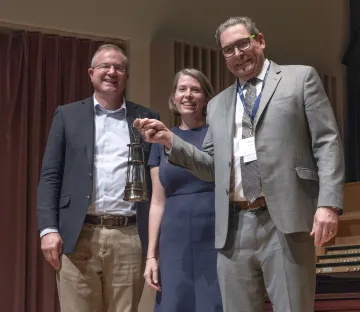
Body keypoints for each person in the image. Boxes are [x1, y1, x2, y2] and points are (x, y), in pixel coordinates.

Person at [135, 16, 345, 312]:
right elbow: (210, 166)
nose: (237, 54)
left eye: (242, 44)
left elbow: (327, 142)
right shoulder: (219, 103)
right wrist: (171, 140)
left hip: (283, 221)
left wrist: (329, 204)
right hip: (234, 227)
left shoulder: (300, 78)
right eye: (228, 50)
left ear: (260, 41)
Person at [37, 44, 159, 312]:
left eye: (119, 67)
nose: (112, 72)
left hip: (128, 236)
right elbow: (50, 176)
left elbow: (157, 179)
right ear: (91, 73)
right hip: (78, 235)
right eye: (105, 66)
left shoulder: (147, 118)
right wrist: (48, 229)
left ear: (126, 75)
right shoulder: (67, 115)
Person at [144, 69, 223, 312]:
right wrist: (150, 256)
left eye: (195, 89)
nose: (188, 95)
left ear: (206, 98)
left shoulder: (218, 136)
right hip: (174, 239)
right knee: (174, 303)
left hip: (214, 236)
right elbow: (157, 201)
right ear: (174, 97)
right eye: (182, 89)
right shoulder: (160, 139)